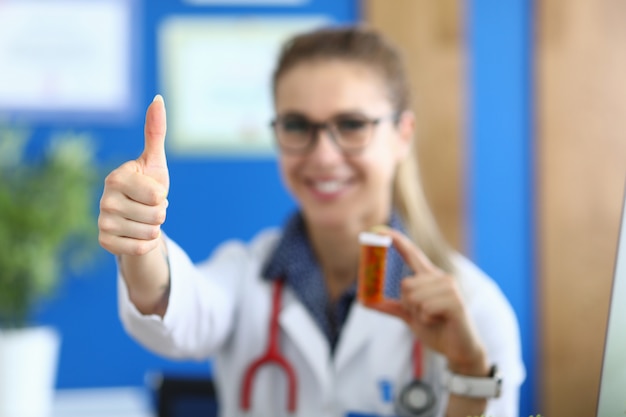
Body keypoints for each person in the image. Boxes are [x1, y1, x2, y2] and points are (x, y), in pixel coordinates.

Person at [98, 25, 525, 417]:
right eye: (298, 125)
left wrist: (468, 369)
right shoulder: (245, 275)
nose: (322, 155)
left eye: (352, 124)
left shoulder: (476, 312)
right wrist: (143, 242)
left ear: (402, 135)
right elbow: (170, 305)